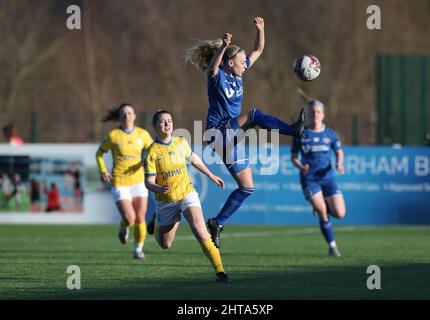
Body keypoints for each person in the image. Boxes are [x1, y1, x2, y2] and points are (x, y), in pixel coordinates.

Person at [184, 17, 307, 248]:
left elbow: (258, 49)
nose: (245, 65)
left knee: (247, 187)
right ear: (230, 62)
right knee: (253, 115)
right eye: (241, 61)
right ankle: (292, 131)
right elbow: (212, 68)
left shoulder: (238, 74)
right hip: (217, 131)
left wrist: (261, 30)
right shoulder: (218, 76)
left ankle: (217, 223)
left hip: (229, 134)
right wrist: (222, 47)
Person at [145, 110, 229, 282]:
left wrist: (211, 175)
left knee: (200, 230)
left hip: (186, 193)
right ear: (155, 127)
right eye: (162, 122)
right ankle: (156, 219)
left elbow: (194, 159)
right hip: (165, 201)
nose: (167, 124)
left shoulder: (181, 142)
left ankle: (220, 271)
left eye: (169, 120)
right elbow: (148, 182)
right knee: (165, 244)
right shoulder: (151, 152)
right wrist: (158, 189)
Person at [96, 103, 153, 259]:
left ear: (134, 116)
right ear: (120, 117)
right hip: (120, 182)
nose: (127, 115)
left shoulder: (142, 134)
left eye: (130, 113)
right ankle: (123, 226)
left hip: (139, 181)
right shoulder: (113, 136)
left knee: (140, 218)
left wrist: (148, 162)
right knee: (130, 218)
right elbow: (99, 154)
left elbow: (152, 151)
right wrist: (103, 171)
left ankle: (138, 249)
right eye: (124, 113)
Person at [291, 98, 346, 257]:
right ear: (309, 114)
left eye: (319, 112)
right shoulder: (302, 133)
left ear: (323, 114)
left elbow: (339, 152)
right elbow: (294, 157)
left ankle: (323, 205)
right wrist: (301, 166)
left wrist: (339, 164)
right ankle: (332, 246)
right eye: (313, 112)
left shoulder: (330, 134)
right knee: (322, 211)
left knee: (340, 213)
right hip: (309, 179)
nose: (316, 114)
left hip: (328, 177)